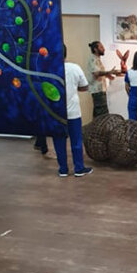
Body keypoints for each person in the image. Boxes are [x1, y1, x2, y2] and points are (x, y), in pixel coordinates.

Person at [53, 45, 93, 177]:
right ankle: (78, 168)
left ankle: (63, 169)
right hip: (73, 112)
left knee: (59, 141)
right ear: (65, 53)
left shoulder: (51, 69)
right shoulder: (75, 68)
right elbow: (85, 87)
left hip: (56, 113)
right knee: (76, 140)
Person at [87, 41, 123, 118]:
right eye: (101, 47)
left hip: (100, 91)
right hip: (97, 91)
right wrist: (110, 72)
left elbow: (101, 73)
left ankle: (95, 129)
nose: (104, 49)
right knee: (102, 114)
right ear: (95, 49)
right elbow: (96, 73)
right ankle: (99, 129)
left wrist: (111, 75)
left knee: (98, 114)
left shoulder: (97, 59)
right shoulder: (93, 59)